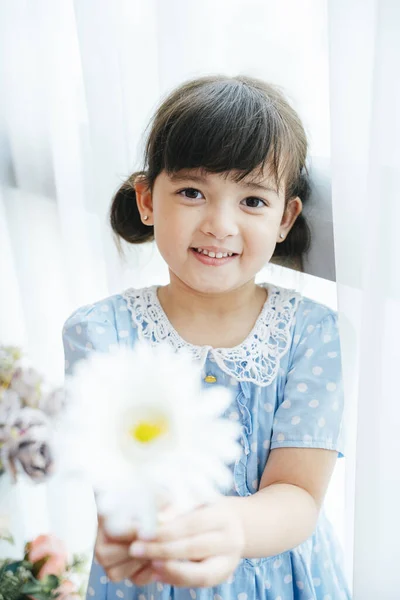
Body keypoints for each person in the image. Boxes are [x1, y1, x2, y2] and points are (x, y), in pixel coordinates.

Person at [62, 75, 350, 600]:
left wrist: (232, 527)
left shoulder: (313, 334)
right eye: (192, 192)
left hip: (286, 581)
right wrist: (140, 534)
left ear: (286, 218)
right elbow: (117, 483)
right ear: (148, 201)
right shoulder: (101, 333)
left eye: (253, 201)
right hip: (158, 577)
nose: (220, 224)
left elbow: (300, 494)